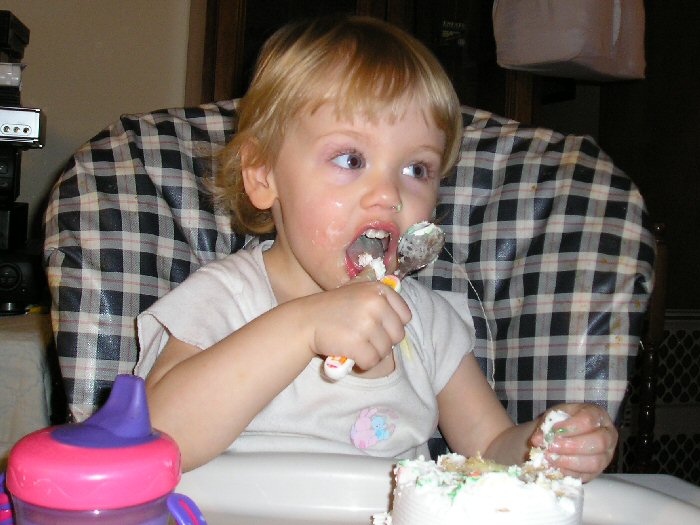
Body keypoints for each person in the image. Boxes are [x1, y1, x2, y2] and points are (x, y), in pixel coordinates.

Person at [134, 15, 617, 480]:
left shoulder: (425, 324)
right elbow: (154, 439)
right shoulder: (225, 300)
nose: (389, 194)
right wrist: (303, 327)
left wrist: (545, 446)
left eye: (416, 169)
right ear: (263, 175)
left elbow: (490, 448)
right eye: (350, 159)